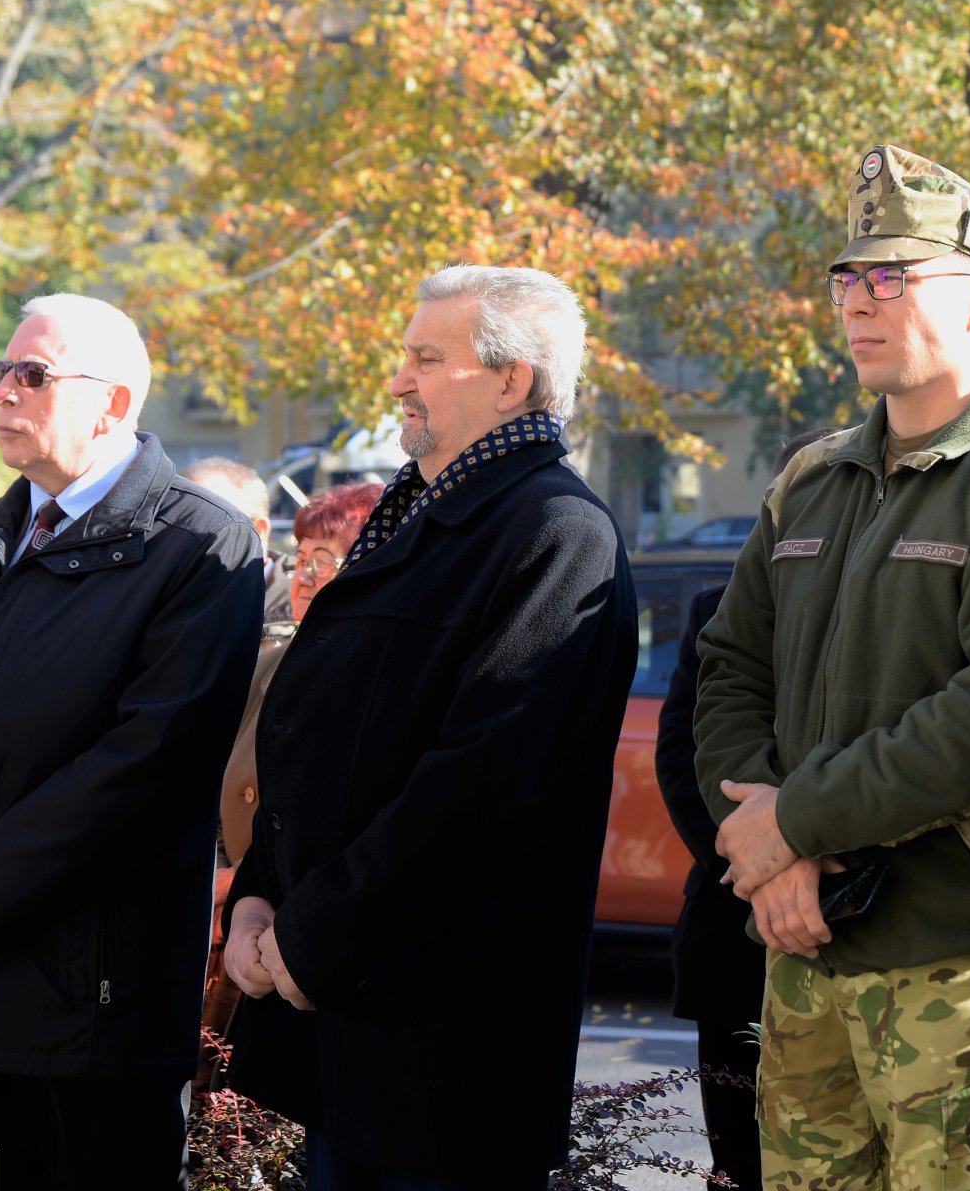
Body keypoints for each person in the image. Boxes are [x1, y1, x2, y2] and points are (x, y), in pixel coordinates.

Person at [695, 144, 970, 1189]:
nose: (859, 300)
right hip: (803, 955)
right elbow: (728, 668)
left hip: (965, 972)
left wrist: (794, 824)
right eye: (849, 276)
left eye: (893, 275)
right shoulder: (811, 479)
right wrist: (771, 847)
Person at [222, 265, 637, 1190]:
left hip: (445, 1051)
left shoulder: (556, 533)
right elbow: (321, 735)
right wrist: (260, 889)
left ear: (511, 380)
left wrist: (311, 933)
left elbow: (480, 790)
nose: (398, 380)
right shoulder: (416, 513)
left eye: (426, 357)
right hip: (347, 1031)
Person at [0, 294, 264, 1189]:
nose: (4, 392)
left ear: (113, 403)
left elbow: (149, 766)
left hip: (89, 1024)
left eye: (32, 375)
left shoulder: (200, 545)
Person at [654, 429, 832, 1191]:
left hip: (846, 922)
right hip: (733, 929)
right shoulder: (716, 605)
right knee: (739, 1163)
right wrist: (757, 867)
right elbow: (680, 759)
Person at [202, 481, 383, 1061]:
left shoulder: (374, 679)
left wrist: (233, 890)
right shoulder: (270, 659)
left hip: (304, 945)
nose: (303, 576)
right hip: (227, 937)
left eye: (325, 560)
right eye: (300, 557)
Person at [183, 457, 295, 622]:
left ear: (259, 530)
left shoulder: (310, 599)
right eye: (183, 522)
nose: (191, 536)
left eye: (211, 524)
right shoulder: (159, 594)